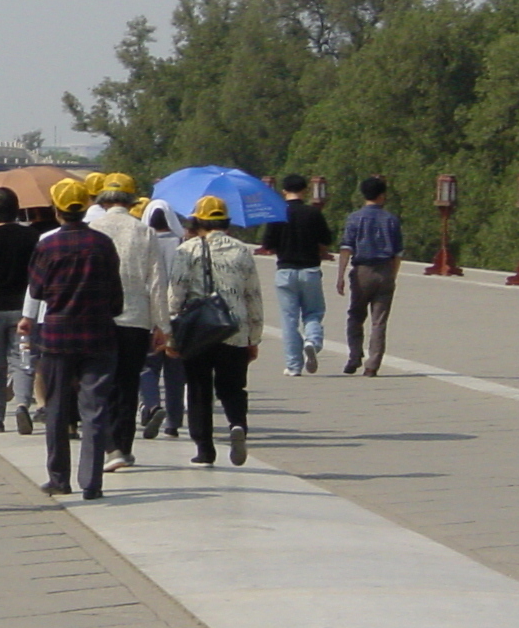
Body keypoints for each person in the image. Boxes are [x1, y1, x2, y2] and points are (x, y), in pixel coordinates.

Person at [20, 180, 124, 500]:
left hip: (56, 337)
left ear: (57, 210)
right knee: (94, 408)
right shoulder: (103, 244)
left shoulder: (47, 246)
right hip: (98, 334)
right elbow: (116, 298)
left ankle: (59, 478)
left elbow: (36, 291)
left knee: (56, 408)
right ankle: (92, 482)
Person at [166, 196, 263, 467]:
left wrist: (170, 334)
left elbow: (176, 292)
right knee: (233, 386)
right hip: (234, 328)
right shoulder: (242, 250)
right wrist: (253, 338)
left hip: (199, 330)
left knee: (198, 389)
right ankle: (237, 423)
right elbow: (253, 295)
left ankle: (204, 449)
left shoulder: (189, 249)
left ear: (197, 220)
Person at [81, 173, 168, 471]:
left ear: (103, 198)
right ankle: (124, 446)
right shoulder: (144, 232)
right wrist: (162, 326)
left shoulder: (91, 228)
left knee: (98, 384)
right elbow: (157, 282)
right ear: (131, 200)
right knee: (128, 385)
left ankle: (107, 446)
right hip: (136, 318)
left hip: (98, 317)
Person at [0, 187, 39, 433]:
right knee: (24, 359)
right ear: (17, 209)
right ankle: (23, 403)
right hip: (24, 311)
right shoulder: (32, 237)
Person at [262, 173, 333, 375]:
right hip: (310, 270)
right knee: (313, 312)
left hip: (285, 271)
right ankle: (312, 340)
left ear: (284, 191)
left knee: (289, 320)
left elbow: (267, 244)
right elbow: (326, 239)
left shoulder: (277, 214)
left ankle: (294, 366)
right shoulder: (313, 213)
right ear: (305, 190)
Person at [337, 176, 404, 375]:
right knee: (379, 321)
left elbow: (346, 248)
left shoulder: (354, 218)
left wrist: (340, 275)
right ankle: (372, 365)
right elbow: (398, 254)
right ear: (382, 195)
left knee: (355, 316)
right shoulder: (391, 219)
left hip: (361, 272)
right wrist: (392, 275)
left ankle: (354, 356)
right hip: (384, 270)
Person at [137, 199, 189, 440]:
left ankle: (151, 404)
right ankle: (173, 422)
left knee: (148, 366)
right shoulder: (182, 244)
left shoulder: (143, 242)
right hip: (177, 313)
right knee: (175, 372)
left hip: (149, 312)